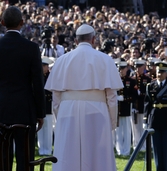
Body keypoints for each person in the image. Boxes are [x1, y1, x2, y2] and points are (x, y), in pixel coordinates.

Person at [44, 23, 123, 171]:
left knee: (68, 155)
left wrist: (60, 117)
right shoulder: (105, 59)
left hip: (68, 110)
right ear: (93, 40)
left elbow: (56, 98)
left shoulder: (62, 60)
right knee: (96, 156)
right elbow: (112, 97)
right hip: (97, 111)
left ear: (76, 41)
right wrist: (111, 122)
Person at [0, 6, 45, 171]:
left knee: (2, 161)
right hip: (25, 110)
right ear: (22, 23)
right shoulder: (31, 48)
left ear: (2, 22)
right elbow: (38, 83)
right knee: (25, 160)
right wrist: (40, 113)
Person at [144, 61, 167, 171]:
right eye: (158, 72)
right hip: (155, 119)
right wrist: (145, 120)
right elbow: (147, 103)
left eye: (162, 72)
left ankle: (166, 168)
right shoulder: (151, 86)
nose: (160, 74)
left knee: (166, 147)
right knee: (157, 147)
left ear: (166, 73)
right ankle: (159, 168)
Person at [115, 61, 136, 156]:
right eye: (120, 70)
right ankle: (119, 149)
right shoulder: (114, 80)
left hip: (126, 108)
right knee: (118, 131)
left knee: (127, 130)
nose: (121, 72)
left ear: (126, 70)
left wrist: (125, 98)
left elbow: (134, 95)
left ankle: (126, 150)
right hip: (117, 109)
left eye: (122, 70)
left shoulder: (131, 81)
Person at [36, 57, 55, 156]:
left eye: (45, 66)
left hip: (48, 104)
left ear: (47, 67)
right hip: (39, 105)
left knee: (48, 129)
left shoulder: (51, 76)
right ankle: (41, 148)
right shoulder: (38, 76)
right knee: (40, 128)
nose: (43, 67)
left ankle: (47, 149)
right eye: (42, 65)